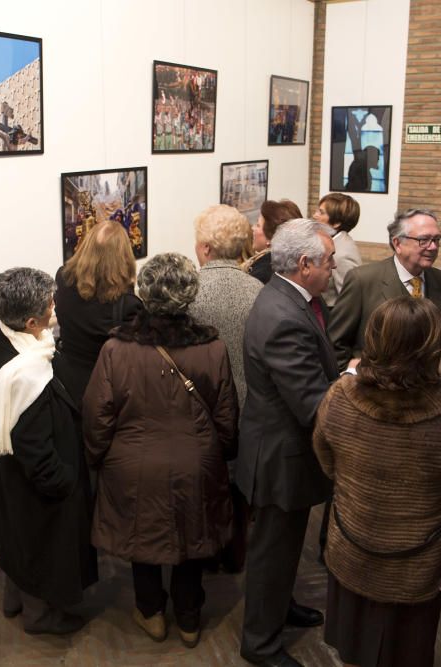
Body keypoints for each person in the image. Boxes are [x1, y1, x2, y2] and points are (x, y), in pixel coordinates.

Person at [313, 296, 441, 667]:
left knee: (352, 648)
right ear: (433, 347)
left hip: (351, 547)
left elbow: (325, 460)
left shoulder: (338, 397)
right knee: (403, 653)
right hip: (412, 566)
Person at [83, 253, 238, 648]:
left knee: (143, 540)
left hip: (132, 463)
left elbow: (98, 414)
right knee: (193, 541)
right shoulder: (213, 347)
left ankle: (151, 613)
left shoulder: (116, 349)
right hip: (195, 460)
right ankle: (189, 618)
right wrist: (221, 453)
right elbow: (226, 412)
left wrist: (96, 457)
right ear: (189, 295)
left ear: (144, 292)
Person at [0, 267, 97, 635]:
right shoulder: (24, 374)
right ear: (29, 321)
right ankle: (41, 617)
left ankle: (15, 599)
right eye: (49, 305)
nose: (55, 309)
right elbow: (35, 447)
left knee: (19, 543)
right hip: (36, 483)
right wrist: (65, 482)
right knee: (39, 546)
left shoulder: (1, 335)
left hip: (11, 474)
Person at [237, 219, 337, 667]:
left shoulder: (288, 298)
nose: (333, 267)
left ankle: (281, 609)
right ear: (304, 265)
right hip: (280, 457)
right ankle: (260, 644)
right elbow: (312, 402)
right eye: (329, 260)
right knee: (270, 555)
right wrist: (352, 382)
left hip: (280, 449)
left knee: (283, 550)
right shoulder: (283, 317)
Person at [189, 204, 263, 572]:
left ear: (205, 249)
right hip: (249, 410)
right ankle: (235, 556)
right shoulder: (260, 291)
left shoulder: (190, 294)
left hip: (198, 410)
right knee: (239, 493)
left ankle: (204, 555)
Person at [329, 208, 441, 371]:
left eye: (437, 239)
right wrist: (350, 379)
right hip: (372, 386)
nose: (433, 247)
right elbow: (336, 340)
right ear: (398, 243)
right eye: (424, 240)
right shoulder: (363, 280)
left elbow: (437, 337)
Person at [54, 220, 142, 414]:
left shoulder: (63, 278)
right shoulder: (127, 304)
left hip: (67, 379)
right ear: (123, 256)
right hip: (105, 388)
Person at [313, 193, 363, 310]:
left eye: (321, 212)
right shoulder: (332, 240)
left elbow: (350, 302)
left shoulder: (342, 254)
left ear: (336, 223)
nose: (314, 215)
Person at [243, 199, 304, 284]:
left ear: (271, 237)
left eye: (258, 225)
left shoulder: (262, 273)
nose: (253, 228)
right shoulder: (295, 265)